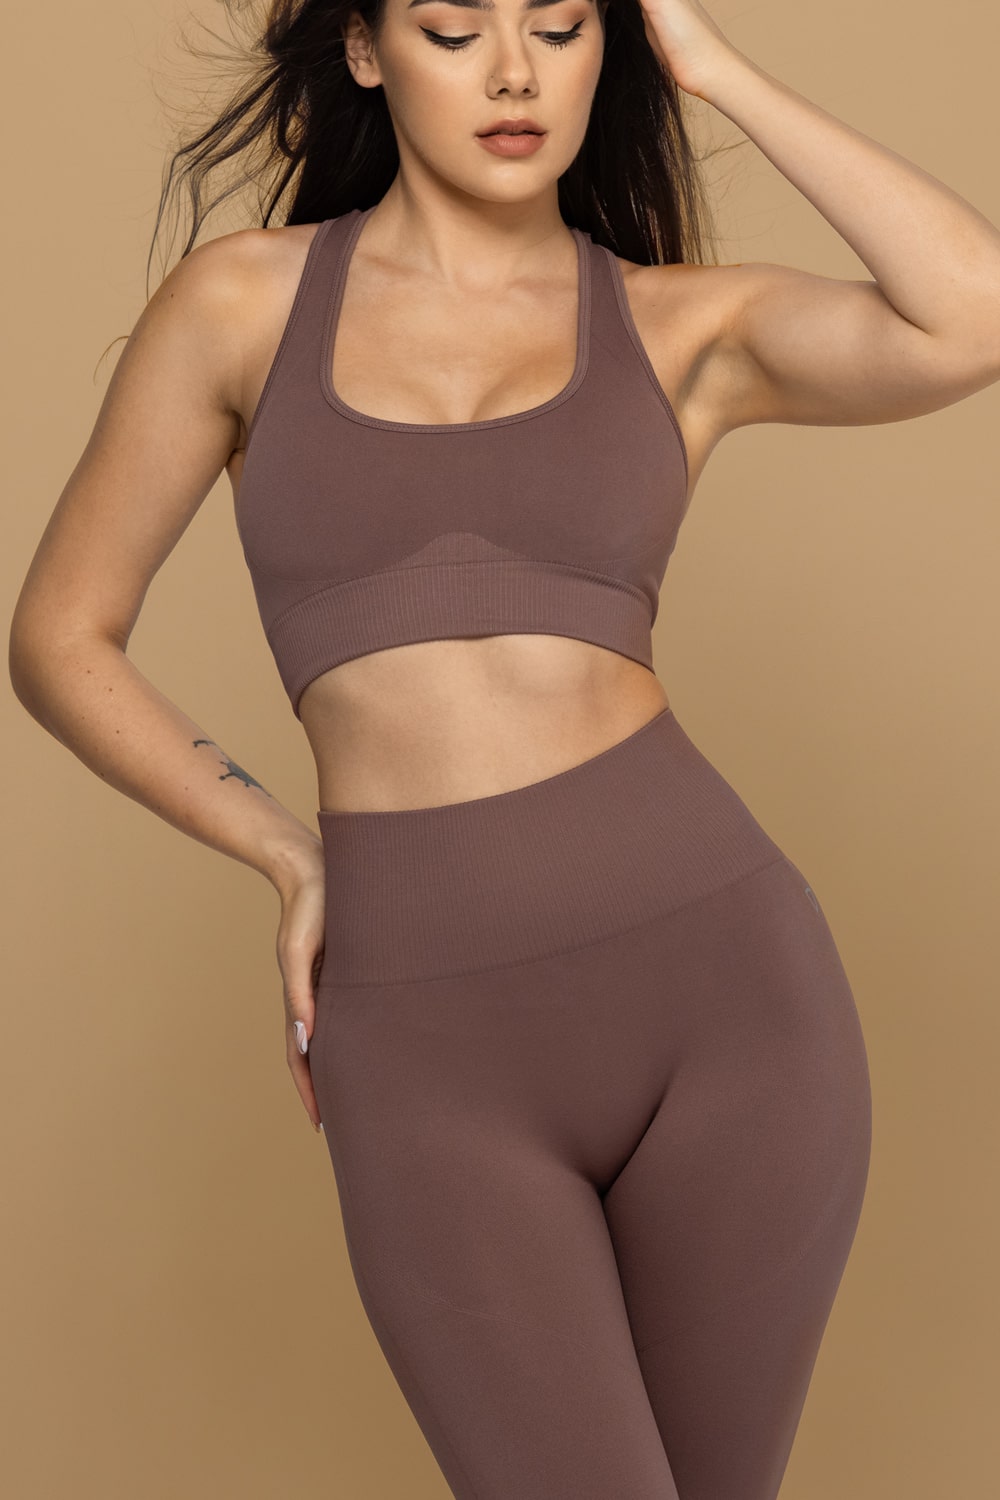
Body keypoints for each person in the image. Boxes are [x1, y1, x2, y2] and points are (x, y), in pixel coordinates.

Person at [10, 0, 1000, 1494]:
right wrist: (284, 848)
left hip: (729, 1007)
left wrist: (713, 66)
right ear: (366, 48)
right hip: (425, 1037)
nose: (517, 72)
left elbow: (969, 311)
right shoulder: (241, 307)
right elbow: (60, 635)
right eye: (453, 28)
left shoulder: (678, 327)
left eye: (560, 23)